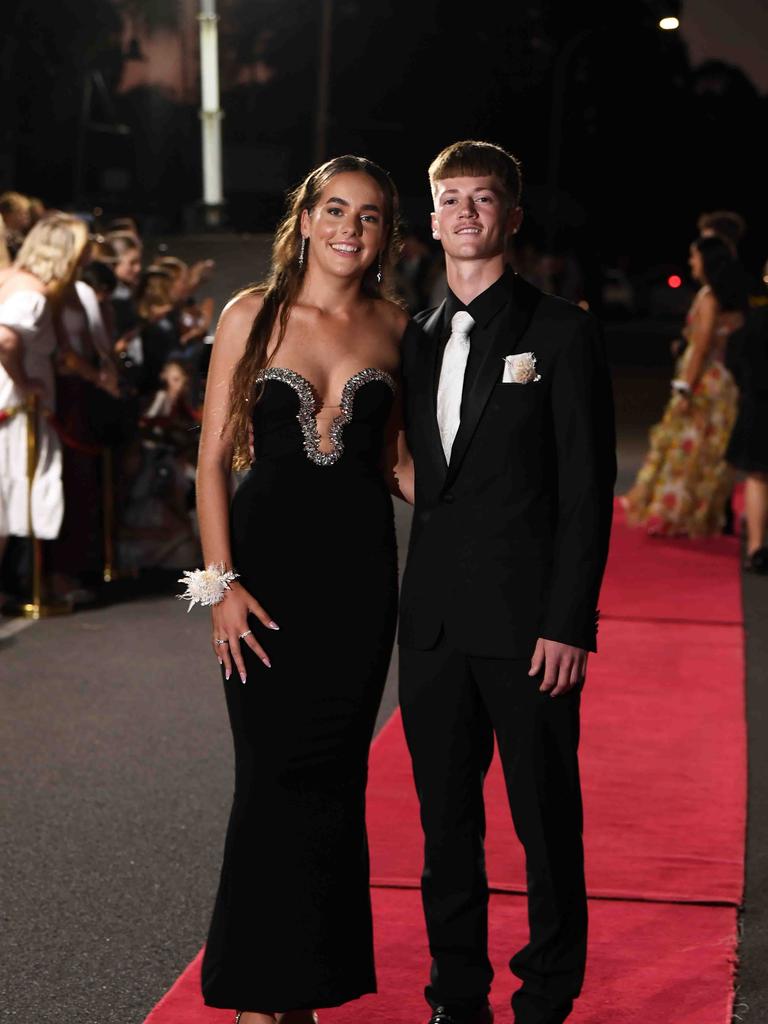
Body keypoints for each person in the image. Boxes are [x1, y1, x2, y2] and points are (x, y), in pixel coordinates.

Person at [398, 140, 616, 1024]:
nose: (463, 213)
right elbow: (418, 469)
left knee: (544, 825)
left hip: (532, 631)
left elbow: (587, 492)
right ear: (433, 214)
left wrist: (569, 623)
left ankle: (547, 994)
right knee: (446, 829)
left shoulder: (563, 330)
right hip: (435, 631)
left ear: (512, 216)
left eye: (482, 199)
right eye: (449, 198)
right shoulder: (411, 335)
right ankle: (457, 994)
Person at [194, 155, 412, 1023]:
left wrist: (496, 507)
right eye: (335, 210)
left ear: (386, 233)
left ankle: (306, 994)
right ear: (308, 218)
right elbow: (210, 459)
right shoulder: (252, 313)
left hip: (358, 587)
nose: (350, 229)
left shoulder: (399, 328)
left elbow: (397, 463)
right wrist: (220, 587)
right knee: (268, 781)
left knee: (332, 785)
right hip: (265, 580)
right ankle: (257, 995)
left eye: (368, 216)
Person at [624, 235, 747, 536]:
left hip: (704, 383)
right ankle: (703, 515)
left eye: (694, 256)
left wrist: (684, 386)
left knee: (686, 448)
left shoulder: (708, 297)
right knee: (709, 451)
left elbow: (702, 346)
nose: (691, 261)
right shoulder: (730, 297)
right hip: (723, 382)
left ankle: (678, 514)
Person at [0, 213, 91, 584]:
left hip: (14, 410)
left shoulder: (9, 279)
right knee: (4, 508)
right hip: (15, 412)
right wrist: (25, 382)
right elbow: (5, 339)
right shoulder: (32, 294)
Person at [726, 289, 768, 571]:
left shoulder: (755, 320)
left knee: (758, 476)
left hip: (759, 404)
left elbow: (734, 358)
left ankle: (756, 547)